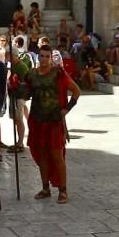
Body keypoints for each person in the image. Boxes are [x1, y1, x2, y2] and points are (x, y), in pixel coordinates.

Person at [25, 44, 81, 204]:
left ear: (50, 57)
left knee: (57, 155)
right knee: (42, 155)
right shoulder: (32, 75)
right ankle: (45, 188)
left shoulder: (59, 74)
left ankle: (63, 190)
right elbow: (27, 93)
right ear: (38, 57)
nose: (44, 59)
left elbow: (76, 91)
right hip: (37, 120)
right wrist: (14, 87)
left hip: (54, 121)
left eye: (46, 56)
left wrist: (67, 109)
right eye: (41, 56)